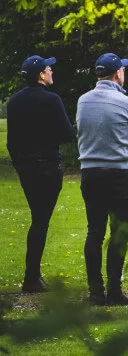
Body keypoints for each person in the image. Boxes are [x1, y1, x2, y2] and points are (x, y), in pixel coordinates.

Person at [77, 53, 128, 306]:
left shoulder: (82, 101)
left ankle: (95, 292)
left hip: (90, 172)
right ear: (118, 74)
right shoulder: (126, 101)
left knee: (94, 231)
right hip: (117, 172)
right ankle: (114, 290)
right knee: (118, 233)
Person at [6, 55, 75, 293]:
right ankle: (31, 277)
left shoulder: (14, 102)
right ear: (40, 75)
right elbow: (68, 135)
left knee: (39, 219)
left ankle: (33, 275)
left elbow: (11, 142)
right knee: (41, 221)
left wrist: (20, 165)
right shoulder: (51, 100)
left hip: (27, 169)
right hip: (48, 167)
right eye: (48, 69)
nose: (51, 71)